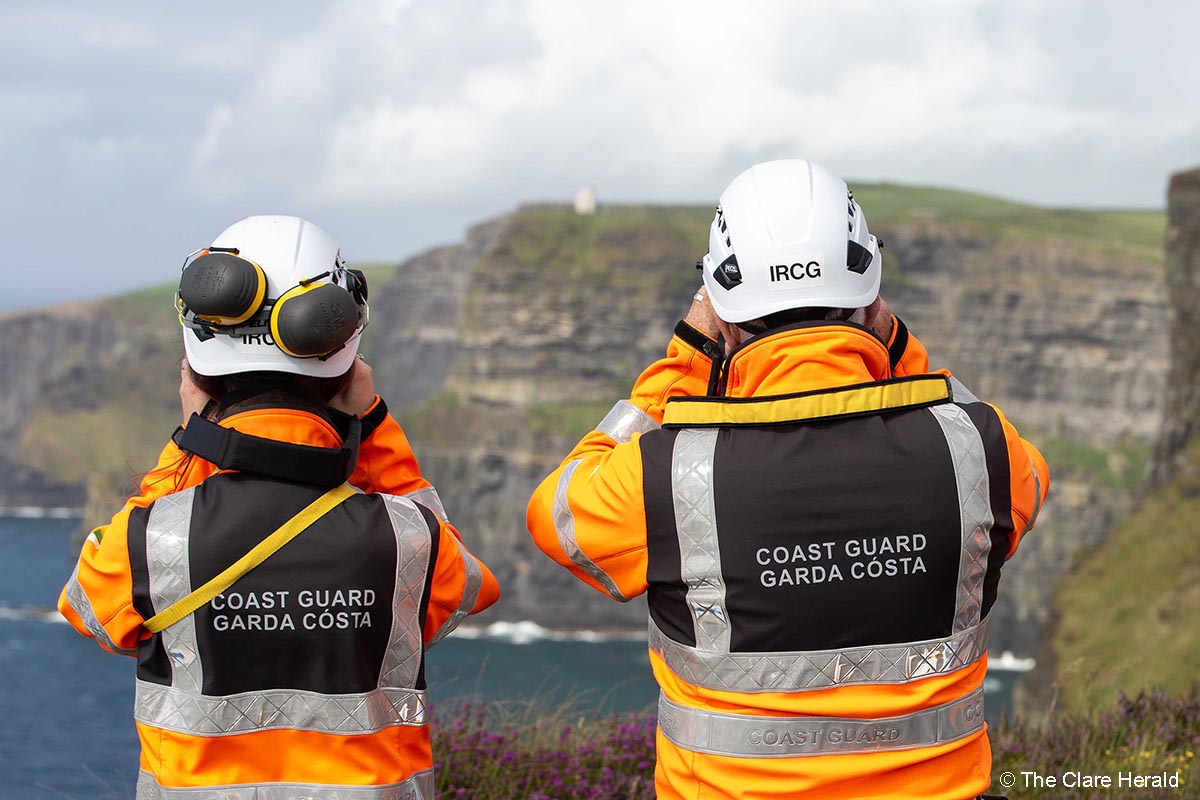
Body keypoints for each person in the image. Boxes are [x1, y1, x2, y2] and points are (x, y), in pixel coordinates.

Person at [526, 160, 1048, 800]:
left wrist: (687, 355)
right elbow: (1011, 460)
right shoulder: (980, 448)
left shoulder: (665, 473)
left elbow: (557, 516)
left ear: (719, 306)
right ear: (869, 294)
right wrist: (895, 347)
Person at [59, 215, 499, 799]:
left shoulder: (150, 540)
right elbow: (465, 583)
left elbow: (88, 607)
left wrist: (191, 439)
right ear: (344, 365)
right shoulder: (406, 540)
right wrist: (373, 427)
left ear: (198, 370)